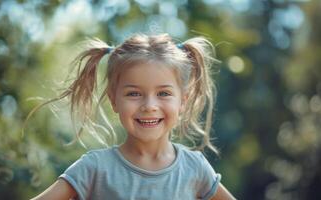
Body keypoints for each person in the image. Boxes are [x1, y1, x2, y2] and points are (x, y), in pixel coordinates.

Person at [30, 33, 236, 200]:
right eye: (134, 94)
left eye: (163, 93)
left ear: (183, 100)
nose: (149, 106)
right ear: (114, 100)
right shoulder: (94, 168)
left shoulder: (195, 168)